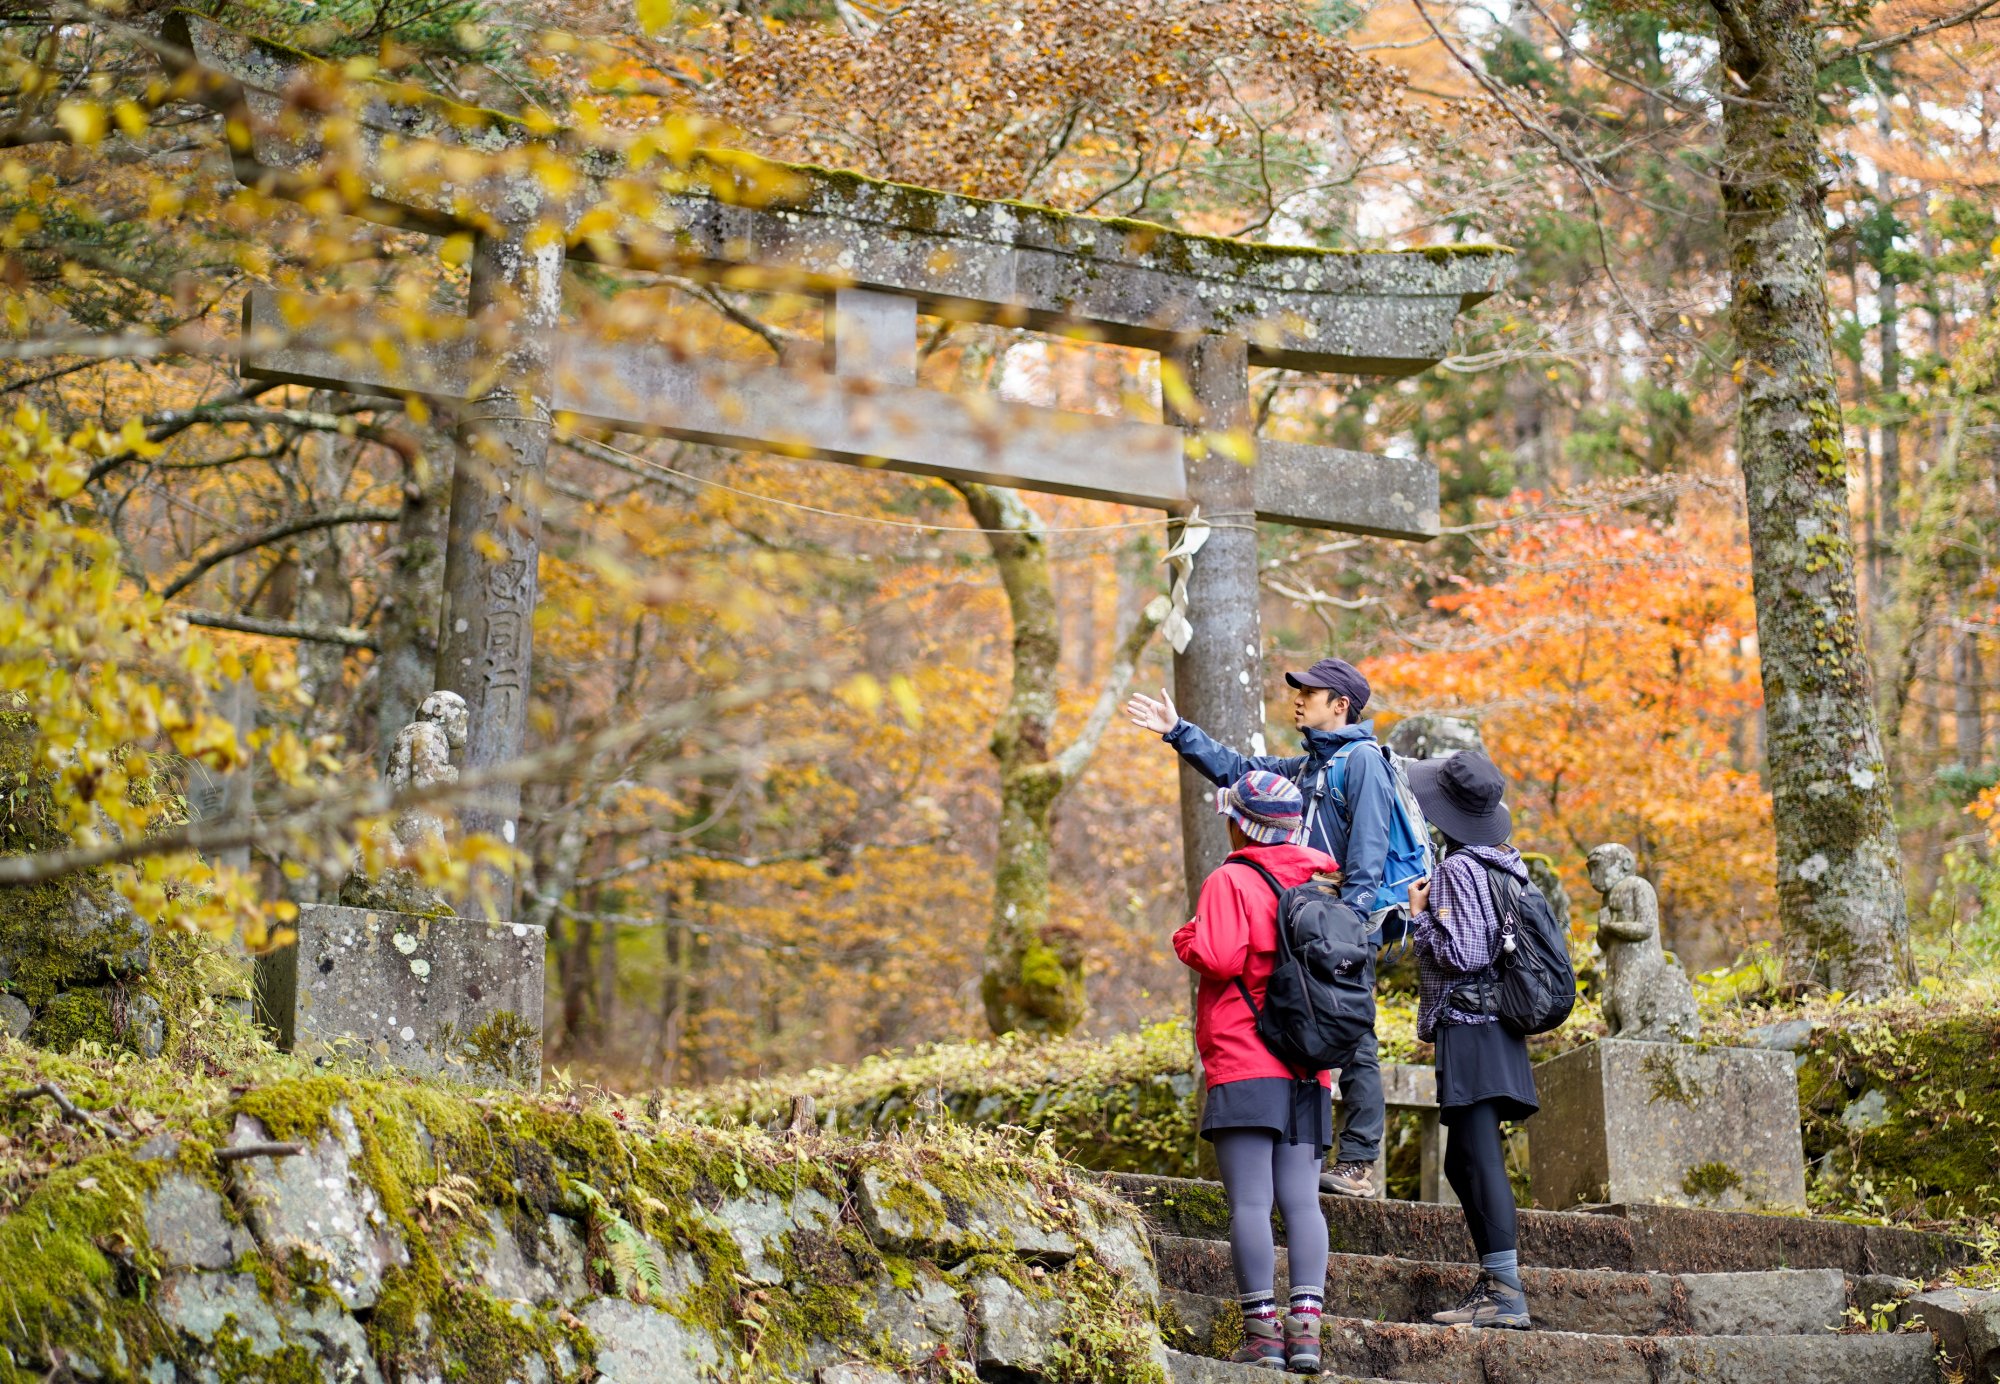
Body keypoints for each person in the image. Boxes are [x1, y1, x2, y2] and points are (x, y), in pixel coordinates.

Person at [1128, 657, 1393, 1199]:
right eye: (1297, 690)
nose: (1297, 698)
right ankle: (1305, 1153)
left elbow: (1370, 847)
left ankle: (1358, 1162)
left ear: (1340, 705)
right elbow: (1240, 772)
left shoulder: (1362, 760)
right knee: (1299, 1022)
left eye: (1310, 692)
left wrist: (1353, 924)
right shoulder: (1307, 767)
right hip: (1301, 922)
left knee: (1354, 1033)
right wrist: (1179, 733)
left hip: (1338, 924)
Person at [1173, 769, 1340, 1374]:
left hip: (1245, 1057)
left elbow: (1218, 956)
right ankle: (1308, 1333)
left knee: (1250, 1201)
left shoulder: (1231, 879)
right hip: (1308, 1066)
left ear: (1239, 823)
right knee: (1301, 1201)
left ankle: (1264, 1335)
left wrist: (1184, 937)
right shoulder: (1321, 883)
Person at [1403, 752, 1539, 1330]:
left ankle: (1507, 1292)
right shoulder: (1506, 862)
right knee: (1463, 1160)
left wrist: (1418, 916)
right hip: (1500, 1025)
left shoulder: (1460, 869)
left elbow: (1463, 953)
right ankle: (1495, 1280)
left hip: (1473, 1024)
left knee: (1478, 1158)